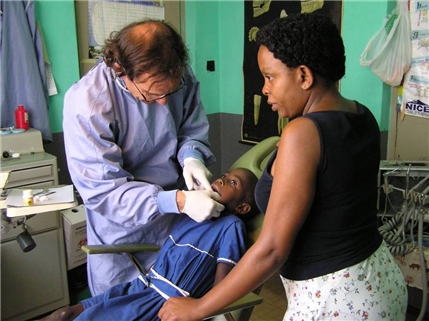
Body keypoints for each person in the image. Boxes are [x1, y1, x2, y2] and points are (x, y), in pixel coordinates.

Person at [158, 14, 408, 321]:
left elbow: (272, 250)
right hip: (380, 278)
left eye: (271, 77)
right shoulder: (362, 115)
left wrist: (200, 307)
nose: (264, 89)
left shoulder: (303, 134)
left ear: (304, 76)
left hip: (334, 298)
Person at [63, 19, 225, 296]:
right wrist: (177, 199)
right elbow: (104, 193)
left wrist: (192, 157)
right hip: (122, 235)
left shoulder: (179, 75)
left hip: (176, 225)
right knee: (123, 308)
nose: (163, 102)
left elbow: (191, 128)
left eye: (169, 92)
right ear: (120, 70)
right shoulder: (89, 104)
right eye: (151, 93)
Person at [42, 168, 259, 321]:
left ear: (242, 208)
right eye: (224, 176)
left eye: (232, 183)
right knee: (63, 314)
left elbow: (222, 286)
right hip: (141, 286)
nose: (222, 180)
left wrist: (200, 310)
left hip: (160, 303)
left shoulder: (231, 227)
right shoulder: (195, 215)